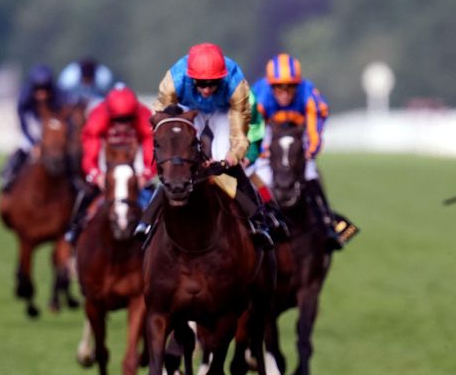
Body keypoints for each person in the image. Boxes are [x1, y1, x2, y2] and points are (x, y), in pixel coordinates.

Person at [135, 42, 283, 248]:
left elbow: (240, 135)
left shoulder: (236, 85)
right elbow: (160, 118)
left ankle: (257, 221)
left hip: (223, 111)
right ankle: (147, 222)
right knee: (177, 162)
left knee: (223, 166)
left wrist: (231, 157)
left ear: (222, 78)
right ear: (191, 78)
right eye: (201, 83)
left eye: (213, 83)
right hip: (188, 110)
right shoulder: (174, 82)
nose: (206, 89)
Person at [251, 52, 343, 251]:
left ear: (297, 85)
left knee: (310, 172)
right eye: (278, 87)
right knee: (262, 174)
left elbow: (315, 130)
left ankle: (327, 223)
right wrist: (261, 151)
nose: (284, 93)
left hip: (299, 135)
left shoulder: (308, 95)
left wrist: (311, 150)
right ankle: (260, 221)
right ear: (271, 86)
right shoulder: (260, 96)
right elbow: (255, 130)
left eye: (290, 87)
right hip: (269, 133)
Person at [64, 85, 155, 242]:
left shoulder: (144, 116)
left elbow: (151, 151)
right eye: (118, 120)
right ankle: (75, 229)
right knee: (84, 195)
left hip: (135, 167)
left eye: (127, 119)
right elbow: (90, 155)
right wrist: (97, 176)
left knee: (155, 197)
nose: (123, 125)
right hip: (106, 167)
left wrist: (144, 175)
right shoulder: (97, 118)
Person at [1, 64, 66, 191]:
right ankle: (9, 175)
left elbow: (62, 119)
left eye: (45, 90)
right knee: (23, 146)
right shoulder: (25, 97)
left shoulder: (59, 97)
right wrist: (34, 144)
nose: (42, 94)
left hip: (51, 124)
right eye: (38, 90)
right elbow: (23, 122)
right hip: (33, 123)